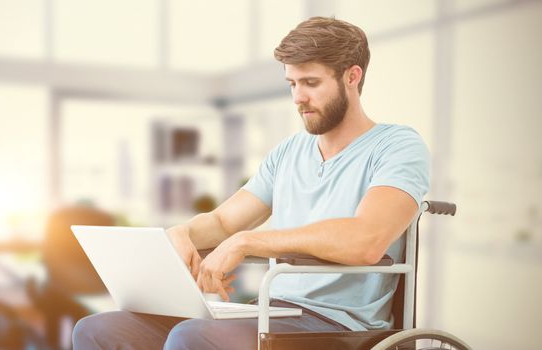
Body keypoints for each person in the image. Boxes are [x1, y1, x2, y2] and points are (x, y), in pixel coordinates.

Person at [72, 16, 430, 349]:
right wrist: (182, 234)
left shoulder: (397, 146)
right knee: (97, 330)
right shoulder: (289, 152)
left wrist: (248, 242)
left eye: (311, 83)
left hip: (338, 325)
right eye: (292, 83)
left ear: (352, 77)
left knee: (191, 338)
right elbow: (224, 222)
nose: (298, 97)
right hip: (274, 311)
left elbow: (365, 240)